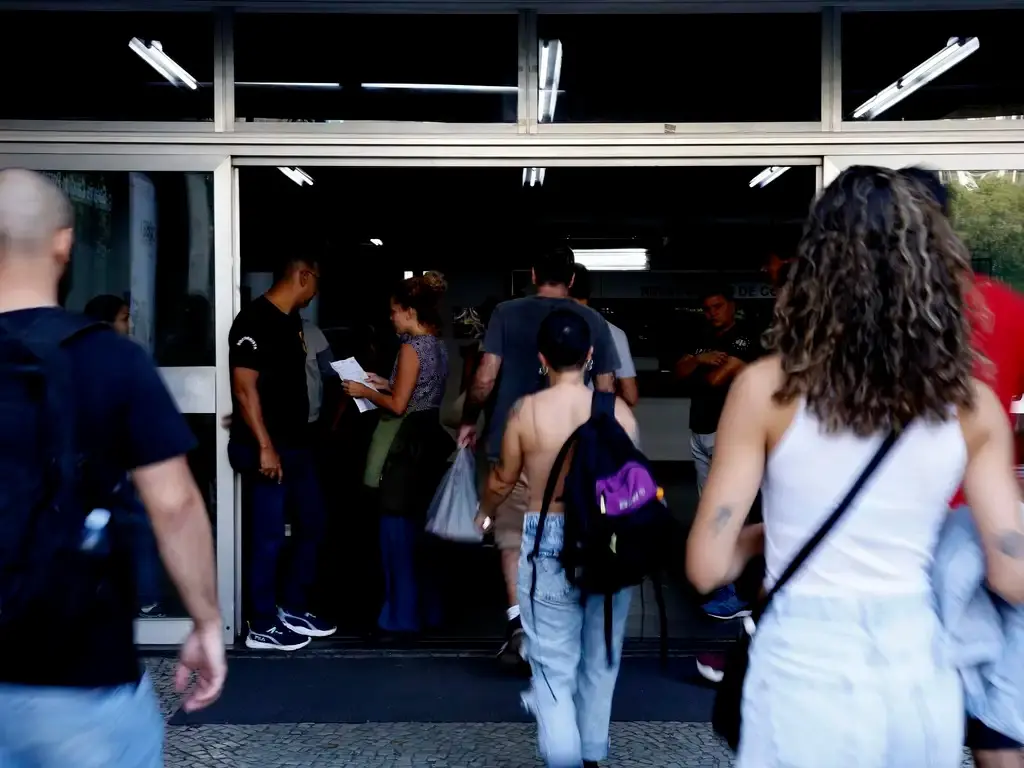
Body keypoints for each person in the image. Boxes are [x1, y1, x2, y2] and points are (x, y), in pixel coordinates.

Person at [686, 165, 1024, 767]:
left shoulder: (766, 388)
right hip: (918, 670)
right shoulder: (972, 405)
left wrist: (768, 535)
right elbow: (1012, 575)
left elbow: (706, 567)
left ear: (816, 268)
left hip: (801, 672)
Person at [0, 169, 225, 765]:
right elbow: (174, 504)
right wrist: (205, 621)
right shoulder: (110, 359)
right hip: (79, 676)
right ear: (64, 243)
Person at [477, 309, 639, 768]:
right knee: (601, 659)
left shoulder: (526, 412)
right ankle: (591, 755)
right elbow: (632, 487)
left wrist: (485, 513)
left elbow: (503, 479)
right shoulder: (619, 412)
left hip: (547, 536)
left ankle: (564, 758)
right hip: (607, 544)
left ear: (542, 358)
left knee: (552, 667)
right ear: (589, 356)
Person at [903, 165, 1024, 768]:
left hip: (911, 533)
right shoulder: (1007, 306)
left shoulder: (883, 319)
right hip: (993, 524)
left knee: (908, 704)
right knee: (998, 718)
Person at [459, 245, 620, 666]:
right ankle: (562, 624)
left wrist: (469, 419)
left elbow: (485, 378)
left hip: (511, 440)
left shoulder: (506, 314)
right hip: (573, 446)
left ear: (532, 274)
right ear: (572, 278)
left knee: (512, 537)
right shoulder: (593, 321)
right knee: (572, 529)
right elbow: (606, 388)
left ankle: (519, 625)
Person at [228, 255, 336, 651]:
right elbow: (244, 387)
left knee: (313, 523)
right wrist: (264, 445)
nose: (317, 291)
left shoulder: (292, 322)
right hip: (268, 448)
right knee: (269, 535)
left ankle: (292, 606)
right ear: (303, 276)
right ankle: (261, 623)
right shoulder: (254, 321)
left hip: (297, 444)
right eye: (317, 281)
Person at [342, 272, 452, 636]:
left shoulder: (409, 349)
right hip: (429, 438)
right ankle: (429, 612)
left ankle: (400, 615)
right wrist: (384, 382)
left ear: (409, 310)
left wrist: (365, 391)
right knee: (422, 533)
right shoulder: (437, 345)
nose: (390, 317)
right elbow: (418, 393)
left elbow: (399, 405)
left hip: (403, 442)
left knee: (396, 531)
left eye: (393, 310)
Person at [675, 285, 760, 621]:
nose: (712, 313)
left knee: (731, 511)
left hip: (728, 433)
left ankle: (739, 590)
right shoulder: (701, 338)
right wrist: (698, 359)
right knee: (709, 510)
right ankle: (723, 579)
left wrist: (698, 366)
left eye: (718, 306)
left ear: (732, 306)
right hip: (699, 429)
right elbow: (679, 371)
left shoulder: (745, 338)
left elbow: (717, 379)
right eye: (707, 308)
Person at [83, 293, 166, 618]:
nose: (128, 324)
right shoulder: (119, 358)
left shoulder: (76, 356)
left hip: (101, 464)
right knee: (136, 527)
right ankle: (145, 598)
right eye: (123, 317)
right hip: (108, 464)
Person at [569, 263, 639, 407]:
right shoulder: (614, 333)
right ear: (590, 291)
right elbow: (630, 395)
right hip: (595, 416)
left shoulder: (544, 329)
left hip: (551, 417)